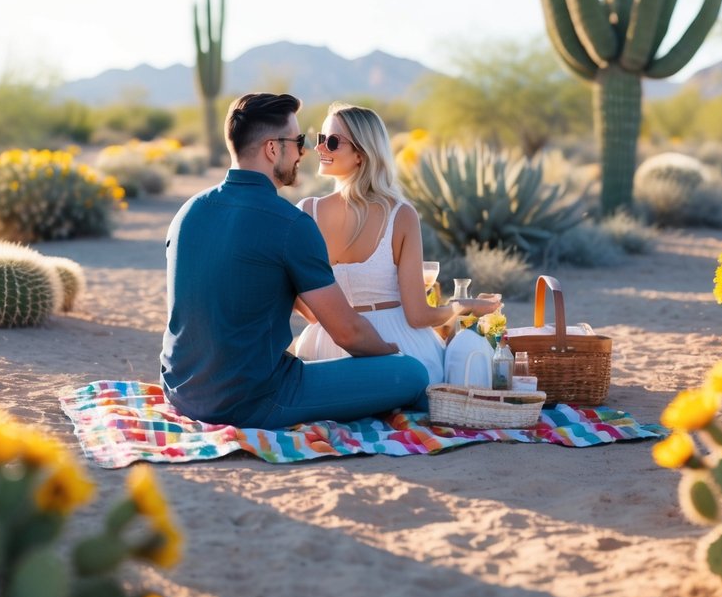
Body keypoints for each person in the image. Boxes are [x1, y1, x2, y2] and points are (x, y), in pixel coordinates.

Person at [159, 92, 429, 428]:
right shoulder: (290, 224)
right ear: (273, 149)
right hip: (255, 399)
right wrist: (391, 354)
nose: (305, 151)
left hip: (181, 392)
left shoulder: (189, 211)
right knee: (413, 374)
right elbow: (348, 333)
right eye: (299, 140)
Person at [292, 102, 499, 385]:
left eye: (332, 141)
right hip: (395, 346)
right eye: (320, 139)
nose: (319, 148)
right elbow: (417, 316)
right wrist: (461, 306)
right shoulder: (400, 215)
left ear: (361, 155)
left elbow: (309, 310)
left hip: (325, 349)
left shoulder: (306, 212)